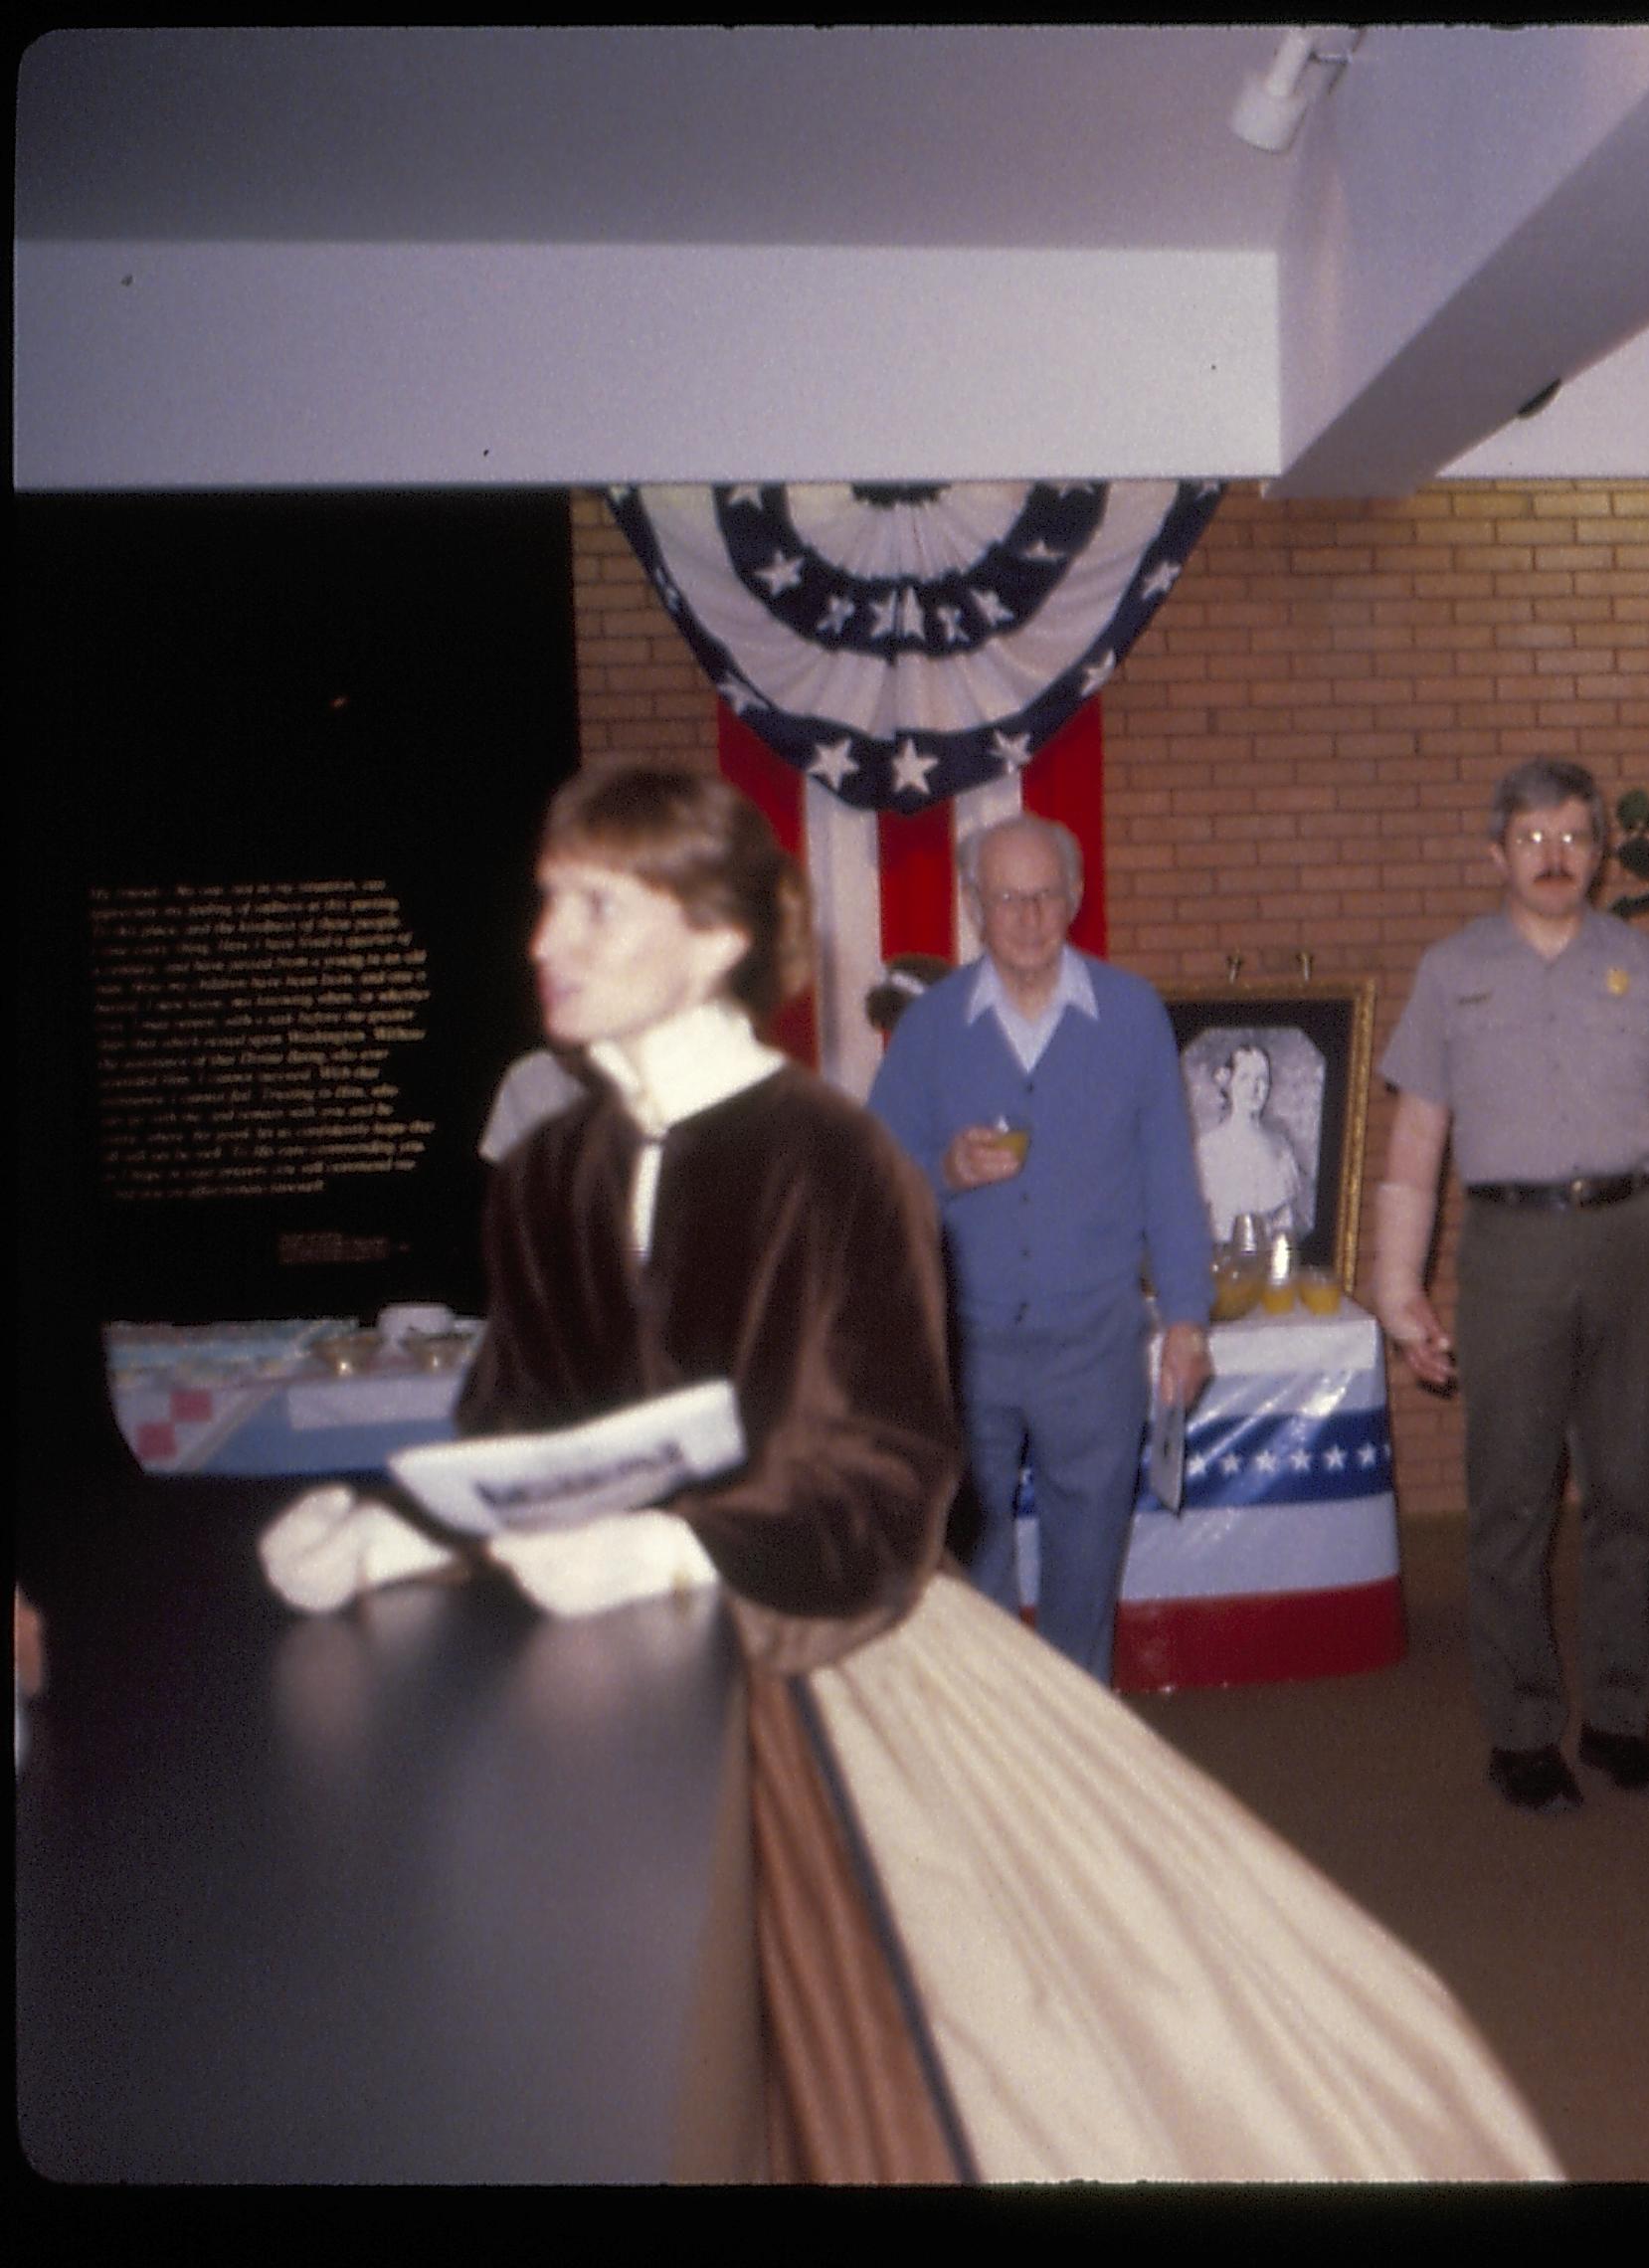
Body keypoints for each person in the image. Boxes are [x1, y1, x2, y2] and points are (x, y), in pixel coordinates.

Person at [258, 763, 1558, 2181]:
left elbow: (1126, 1223)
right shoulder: (598, 1156)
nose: (544, 944)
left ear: (717, 939)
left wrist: (1181, 1315)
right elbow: (516, 1428)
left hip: (1003, 1429)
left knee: (1062, 1614)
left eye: (598, 909)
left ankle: (1057, 1817)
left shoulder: (1077, 1042)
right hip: (870, 1443)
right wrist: (406, 1526)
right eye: (1001, 898)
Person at [1369, 759, 1649, 1814]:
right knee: (1512, 1500)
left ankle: (1619, 1719)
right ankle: (1522, 1731)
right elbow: (1416, 1141)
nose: (1555, 858)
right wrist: (1398, 1285)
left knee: (1627, 1491)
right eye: (1533, 840)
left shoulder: (1644, 965)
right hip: (1511, 1253)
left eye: (1574, 837)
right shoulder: (1450, 972)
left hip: (1631, 1243)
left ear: (1601, 851)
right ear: (1496, 855)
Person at [868, 815, 1214, 1682]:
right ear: (973, 905)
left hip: (1094, 1347)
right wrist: (942, 1168)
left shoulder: (1132, 1015)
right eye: (1007, 898)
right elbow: (871, 1185)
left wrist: (1187, 1319)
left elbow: (1171, 1179)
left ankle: (1079, 1760)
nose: (1028, 917)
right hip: (964, 1348)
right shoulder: (931, 1028)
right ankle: (995, 1766)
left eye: (1045, 895)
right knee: (970, 1580)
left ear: (1076, 898)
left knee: (1085, 1577)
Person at [1193, 1037, 1311, 1244]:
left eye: (1262, 1079)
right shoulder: (1207, 1150)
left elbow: (1287, 1226)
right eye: (1245, 1078)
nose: (1254, 1088)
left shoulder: (1281, 1147)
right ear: (1229, 1083)